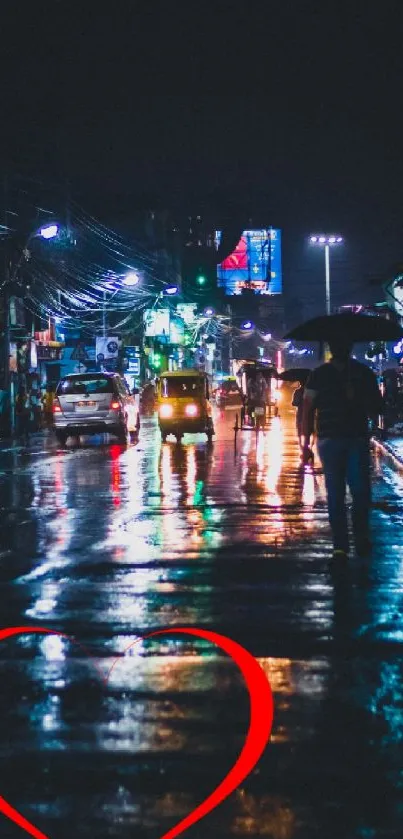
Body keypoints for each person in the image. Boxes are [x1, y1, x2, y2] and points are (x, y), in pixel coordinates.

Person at [301, 338, 383, 561]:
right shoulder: (361, 373)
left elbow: (307, 410)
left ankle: (344, 544)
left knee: (342, 493)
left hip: (337, 439)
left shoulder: (323, 374)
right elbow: (377, 405)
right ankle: (352, 541)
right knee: (356, 491)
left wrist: (305, 445)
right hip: (346, 439)